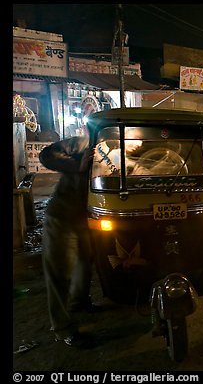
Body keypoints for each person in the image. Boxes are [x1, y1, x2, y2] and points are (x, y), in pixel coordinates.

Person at [39, 135, 100, 348]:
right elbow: (46, 155)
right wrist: (76, 165)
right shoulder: (84, 143)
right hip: (62, 216)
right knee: (60, 272)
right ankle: (63, 328)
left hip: (86, 217)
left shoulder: (121, 149)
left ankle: (80, 302)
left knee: (85, 260)